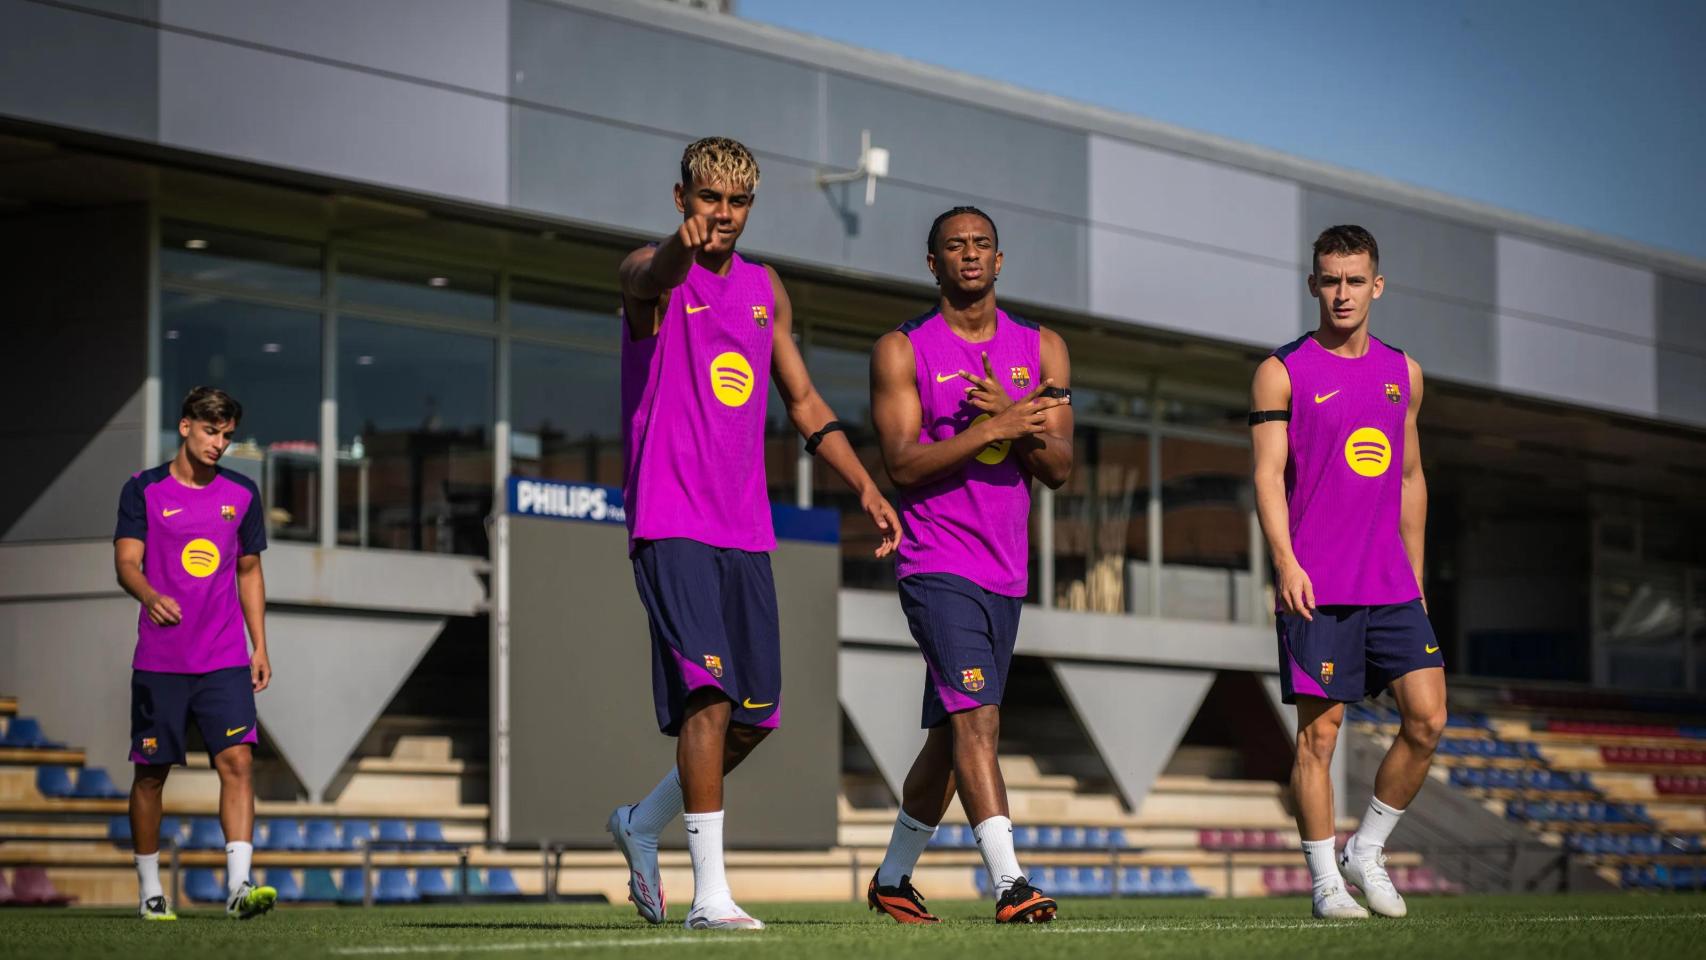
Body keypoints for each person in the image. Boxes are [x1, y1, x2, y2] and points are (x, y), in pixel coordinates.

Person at [606, 136, 902, 931]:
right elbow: (652, 273)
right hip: (669, 518)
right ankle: (711, 899)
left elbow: (803, 403)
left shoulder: (767, 289)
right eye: (709, 199)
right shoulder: (650, 275)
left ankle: (639, 823)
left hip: (745, 530)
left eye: (737, 203)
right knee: (706, 696)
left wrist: (867, 484)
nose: (723, 216)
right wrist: (679, 247)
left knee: (753, 716)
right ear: (682, 199)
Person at [865, 206, 1073, 925]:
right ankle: (1011, 884)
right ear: (933, 264)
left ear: (1000, 259)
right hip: (937, 563)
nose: (970, 256)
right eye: (954, 247)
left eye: (982, 244)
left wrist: (1017, 417)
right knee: (978, 719)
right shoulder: (901, 349)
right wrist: (993, 428)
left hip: (1005, 572)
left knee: (951, 738)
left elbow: (1060, 469)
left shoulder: (1042, 348)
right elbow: (901, 463)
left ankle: (892, 878)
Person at [1250, 224, 1444, 919]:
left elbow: (1412, 478)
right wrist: (1285, 560)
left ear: (1376, 286)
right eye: (1329, 280)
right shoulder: (1282, 370)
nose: (1342, 293)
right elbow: (1267, 477)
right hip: (1317, 584)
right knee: (1319, 737)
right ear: (1313, 285)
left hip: (1391, 585)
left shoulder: (1404, 373)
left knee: (1427, 719)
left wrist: (1415, 575)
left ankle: (1367, 851)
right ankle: (1326, 883)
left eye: (1354, 280)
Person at [114, 386, 276, 920]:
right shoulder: (142, 490)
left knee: (238, 762)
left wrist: (260, 645)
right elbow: (126, 562)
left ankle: (238, 888)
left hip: (225, 656)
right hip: (161, 661)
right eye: (211, 432)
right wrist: (148, 594)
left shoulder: (243, 495)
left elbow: (248, 572)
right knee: (151, 774)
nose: (219, 444)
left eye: (227, 435)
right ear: (185, 426)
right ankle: (149, 891)